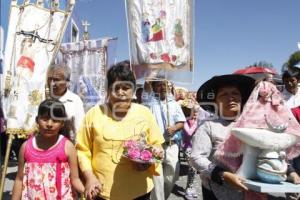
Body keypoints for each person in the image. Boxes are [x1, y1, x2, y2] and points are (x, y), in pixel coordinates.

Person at [76, 61, 164, 200]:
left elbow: (157, 144)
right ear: (108, 90)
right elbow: (82, 150)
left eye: (126, 87)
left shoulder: (145, 113)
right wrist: (90, 178)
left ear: (134, 90)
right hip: (103, 191)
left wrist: (150, 159)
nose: (121, 93)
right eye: (115, 88)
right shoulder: (93, 114)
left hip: (140, 191)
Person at [190, 74, 255, 200]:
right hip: (216, 191)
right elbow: (196, 157)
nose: (230, 97)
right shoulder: (208, 126)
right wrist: (223, 175)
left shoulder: (252, 125)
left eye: (235, 93)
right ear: (216, 101)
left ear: (242, 98)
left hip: (250, 191)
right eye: (223, 95)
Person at [11, 99, 84, 200]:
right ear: (37, 120)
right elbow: (19, 179)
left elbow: (75, 179)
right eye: (45, 119)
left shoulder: (68, 147)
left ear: (62, 123)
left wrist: (87, 191)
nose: (49, 124)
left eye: (55, 120)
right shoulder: (26, 147)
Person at [142, 80, 186, 200]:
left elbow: (181, 122)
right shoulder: (149, 102)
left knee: (171, 175)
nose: (163, 87)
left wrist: (174, 128)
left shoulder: (174, 104)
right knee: (157, 179)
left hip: (171, 145)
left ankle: (163, 197)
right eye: (159, 85)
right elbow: (146, 85)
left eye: (165, 85)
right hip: (155, 146)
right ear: (154, 87)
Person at [47, 64, 85, 142]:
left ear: (67, 82)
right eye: (50, 79)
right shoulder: (42, 97)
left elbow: (80, 130)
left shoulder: (75, 101)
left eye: (56, 80)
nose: (52, 83)